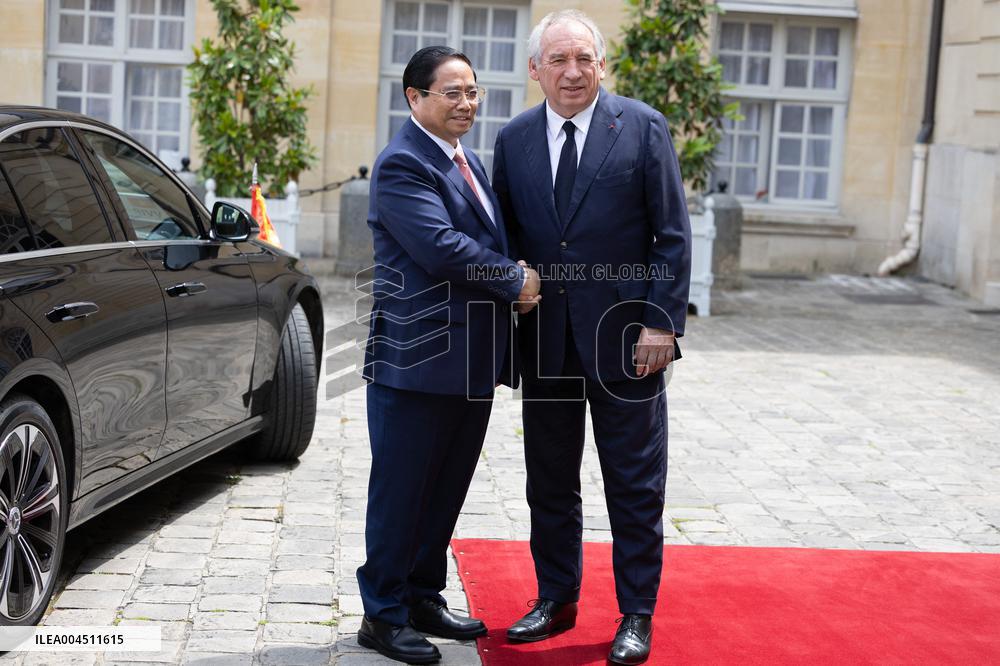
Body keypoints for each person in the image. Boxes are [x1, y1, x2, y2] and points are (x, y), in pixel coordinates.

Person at [492, 10, 691, 665]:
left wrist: (662, 322)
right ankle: (556, 598)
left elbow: (672, 235)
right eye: (558, 60)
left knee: (633, 483)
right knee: (548, 479)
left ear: (601, 64)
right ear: (535, 70)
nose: (572, 72)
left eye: (584, 59)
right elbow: (509, 241)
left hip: (628, 340)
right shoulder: (514, 139)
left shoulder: (641, 127)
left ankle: (637, 613)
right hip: (545, 339)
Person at [358, 46, 540, 664]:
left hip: (469, 361)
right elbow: (441, 248)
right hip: (416, 360)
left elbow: (482, 235)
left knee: (445, 488)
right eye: (452, 93)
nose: (466, 104)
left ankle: (421, 596)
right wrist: (515, 281)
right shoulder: (404, 165)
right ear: (415, 98)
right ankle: (382, 615)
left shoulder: (464, 160)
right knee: (401, 490)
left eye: (473, 92)